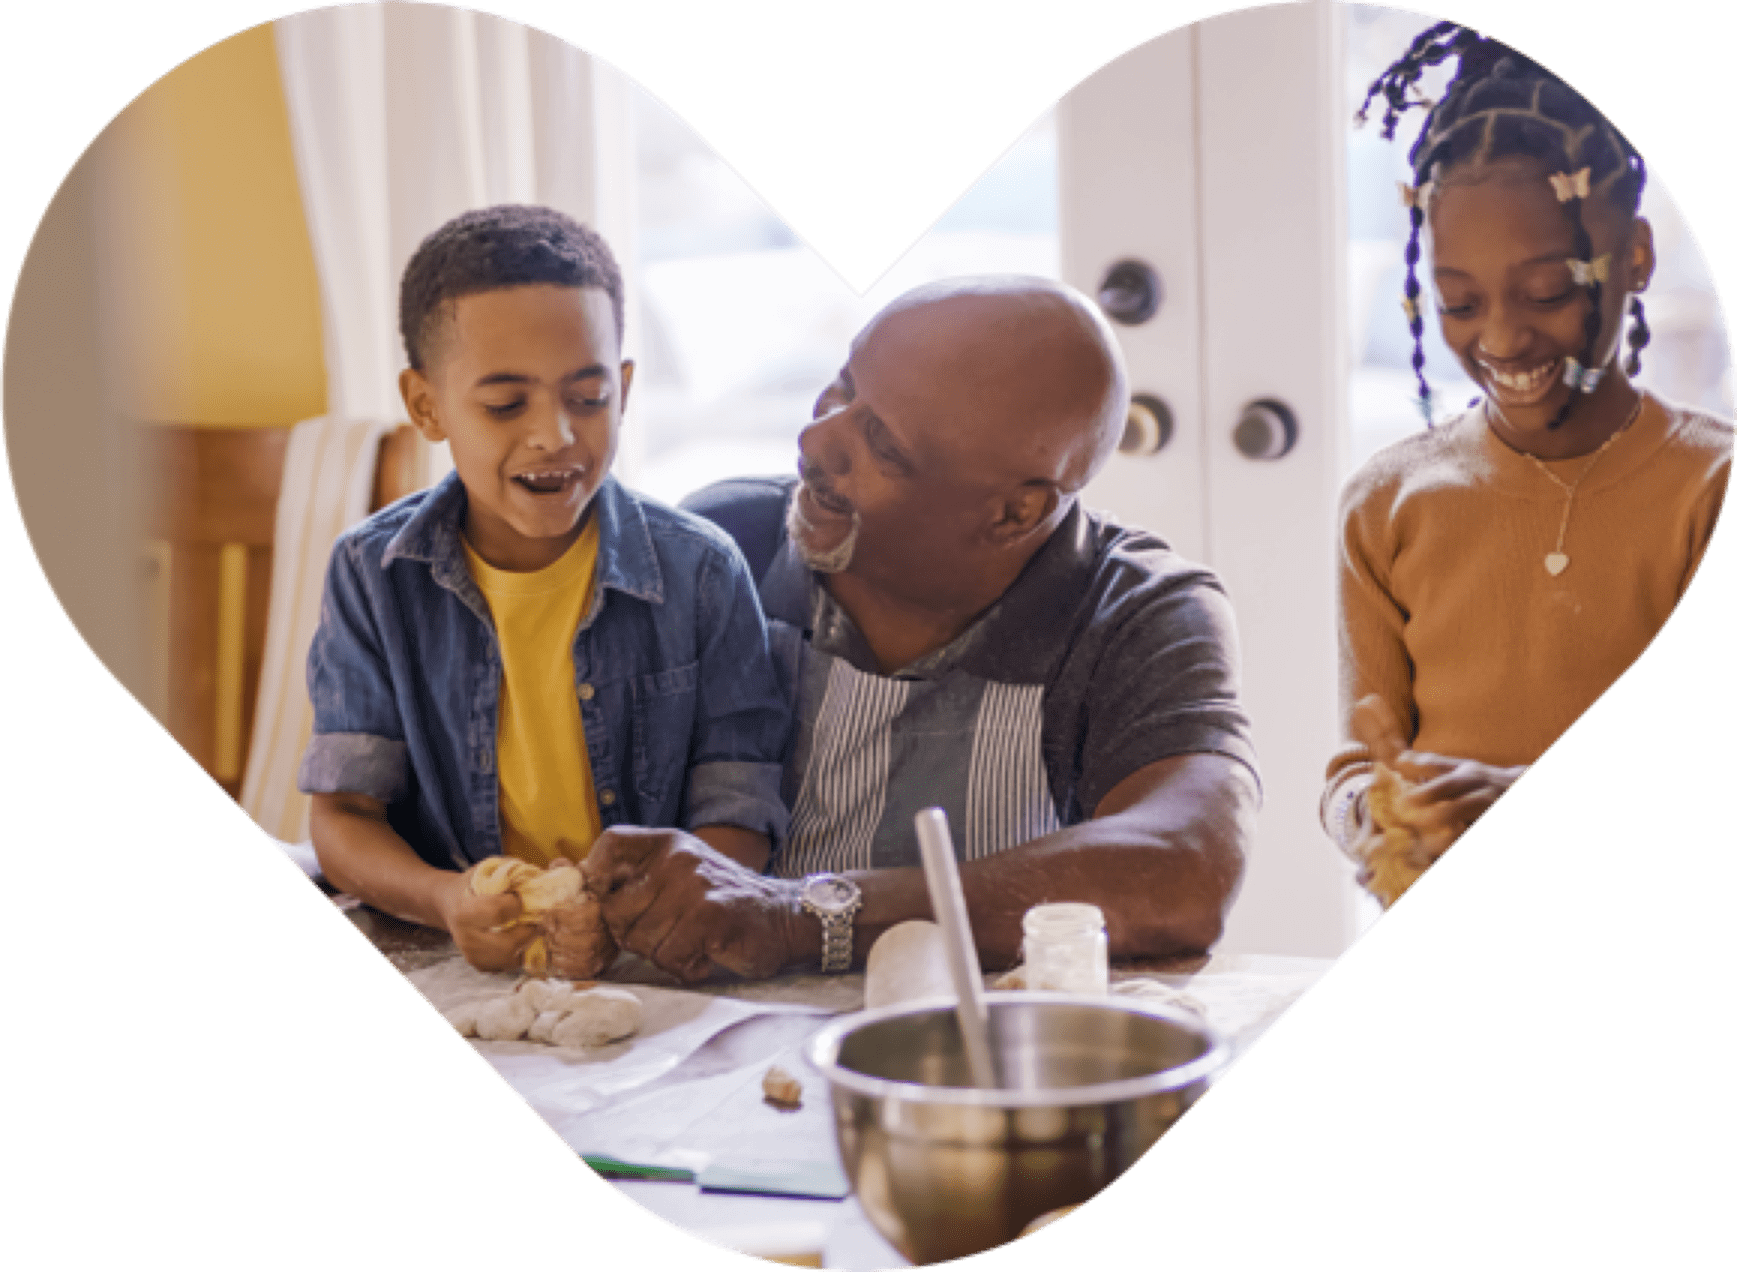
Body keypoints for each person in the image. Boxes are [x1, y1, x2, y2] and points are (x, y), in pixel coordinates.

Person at [577, 276, 1262, 984]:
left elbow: (1187, 866)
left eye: (881, 444)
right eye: (841, 390)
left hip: (984, 1039)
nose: (815, 439)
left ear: (1014, 514)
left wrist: (798, 917)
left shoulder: (1138, 613)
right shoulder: (725, 548)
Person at [298, 206, 789, 976]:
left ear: (624, 389)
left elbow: (740, 808)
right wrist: (445, 898)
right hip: (452, 953)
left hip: (652, 960)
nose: (555, 434)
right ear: (427, 406)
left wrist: (644, 917)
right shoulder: (373, 574)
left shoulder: (702, 572)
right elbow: (343, 813)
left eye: (587, 397)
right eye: (505, 405)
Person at [1322, 24, 1734, 893]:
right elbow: (1353, 775)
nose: (1502, 338)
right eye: (1458, 302)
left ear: (1634, 257)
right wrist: (1380, 812)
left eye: (1546, 292)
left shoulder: (1706, 489)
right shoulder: (1386, 504)